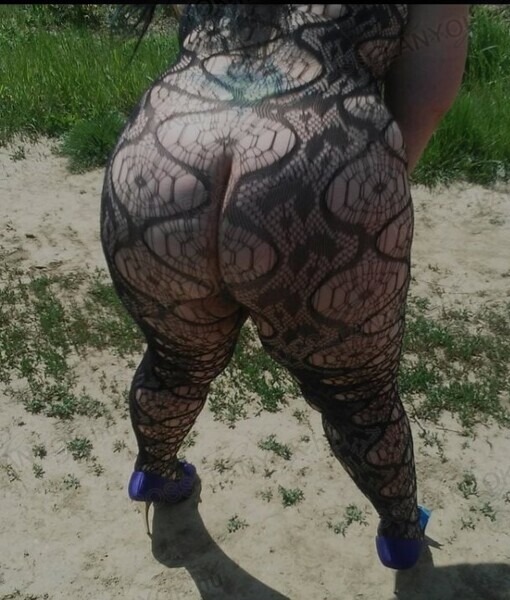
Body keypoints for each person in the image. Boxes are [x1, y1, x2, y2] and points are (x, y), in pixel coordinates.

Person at [100, 3, 469, 570]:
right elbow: (429, 96)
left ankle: (155, 472)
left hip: (165, 142)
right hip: (323, 145)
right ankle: (400, 532)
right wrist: (377, 181)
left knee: (174, 361)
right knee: (360, 400)